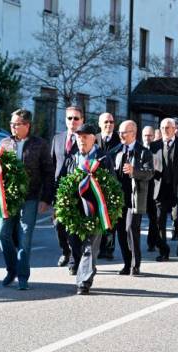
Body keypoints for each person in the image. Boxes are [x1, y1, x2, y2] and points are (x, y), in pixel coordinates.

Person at [0, 108, 54, 290]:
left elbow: (48, 173)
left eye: (16, 124)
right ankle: (12, 268)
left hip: (30, 197)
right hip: (8, 198)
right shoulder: (4, 143)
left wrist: (46, 199)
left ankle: (22, 276)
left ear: (27, 126)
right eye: (11, 124)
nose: (12, 127)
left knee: (25, 236)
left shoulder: (40, 144)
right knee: (1, 233)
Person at [67, 123, 112, 294]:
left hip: (95, 209)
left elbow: (110, 185)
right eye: (78, 137)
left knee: (89, 245)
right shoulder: (72, 156)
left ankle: (83, 282)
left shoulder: (103, 159)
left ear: (94, 138)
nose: (81, 141)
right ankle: (85, 269)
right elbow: (63, 179)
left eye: (84, 137)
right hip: (74, 209)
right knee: (74, 243)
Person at [111, 120, 154, 276]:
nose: (121, 135)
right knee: (121, 231)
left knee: (131, 228)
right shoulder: (115, 151)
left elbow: (150, 173)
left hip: (135, 197)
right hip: (118, 198)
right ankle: (126, 263)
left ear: (134, 133)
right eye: (120, 132)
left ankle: (136, 264)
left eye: (125, 132)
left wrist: (134, 170)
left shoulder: (143, 152)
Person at [150, 118, 178, 261]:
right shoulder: (154, 145)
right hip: (160, 188)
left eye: (168, 127)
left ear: (175, 129)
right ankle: (164, 251)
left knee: (176, 217)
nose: (165, 130)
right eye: (163, 127)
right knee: (159, 220)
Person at [51, 106, 83, 270]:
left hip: (78, 190)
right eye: (70, 118)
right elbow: (52, 165)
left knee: (73, 227)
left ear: (81, 121)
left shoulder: (86, 139)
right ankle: (66, 251)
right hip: (59, 190)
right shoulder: (58, 138)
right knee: (58, 224)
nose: (73, 121)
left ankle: (74, 262)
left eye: (76, 118)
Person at [96, 112, 121, 259]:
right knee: (98, 216)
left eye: (111, 122)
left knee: (111, 217)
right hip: (96, 183)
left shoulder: (119, 139)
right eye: (105, 122)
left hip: (114, 183)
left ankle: (109, 248)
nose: (108, 125)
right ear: (100, 124)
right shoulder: (94, 139)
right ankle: (98, 246)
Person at [141, 126, 159, 253]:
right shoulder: (137, 149)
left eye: (150, 135)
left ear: (154, 136)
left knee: (154, 218)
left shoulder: (158, 150)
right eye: (145, 135)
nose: (148, 138)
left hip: (153, 188)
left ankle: (151, 242)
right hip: (139, 188)